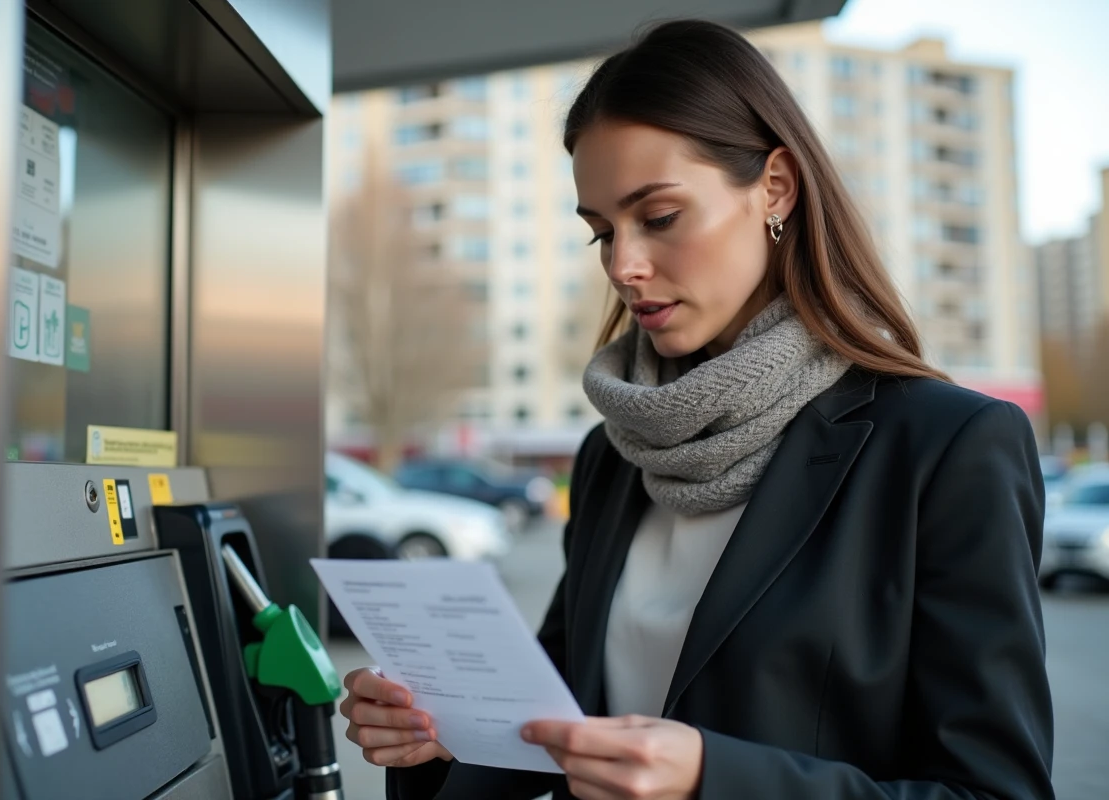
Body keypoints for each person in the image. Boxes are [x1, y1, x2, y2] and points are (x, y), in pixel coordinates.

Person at [340, 18, 1054, 800]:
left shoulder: (948, 446)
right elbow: (555, 724)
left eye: (659, 217)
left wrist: (716, 778)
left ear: (775, 188)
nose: (624, 265)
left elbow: (996, 790)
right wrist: (434, 736)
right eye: (601, 233)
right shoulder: (613, 454)